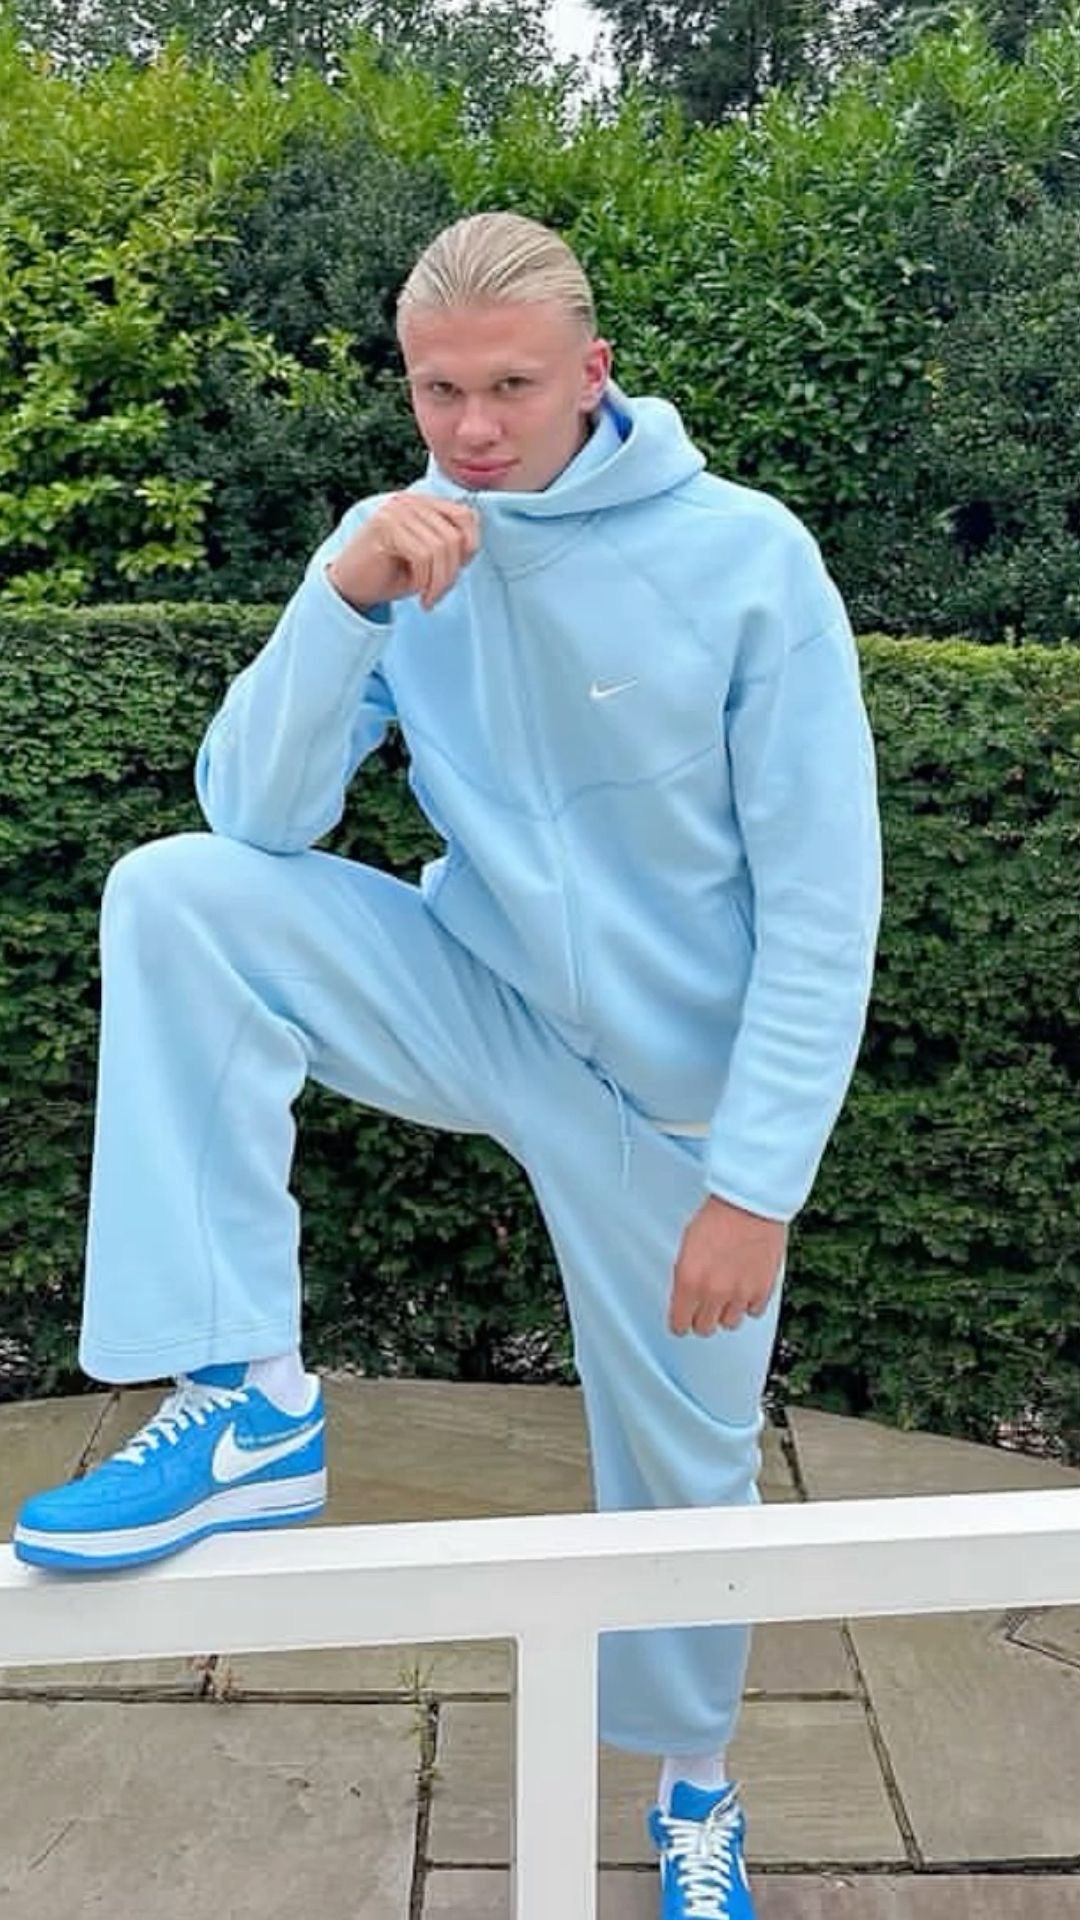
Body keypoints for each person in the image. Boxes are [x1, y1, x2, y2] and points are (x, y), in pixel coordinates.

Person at [12, 211, 883, 1919]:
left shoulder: (749, 559)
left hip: (680, 1112)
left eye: (510, 387)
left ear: (592, 375)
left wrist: (758, 1183)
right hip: (483, 1002)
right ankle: (249, 1396)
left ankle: (694, 1795)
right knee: (177, 895)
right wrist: (341, 601)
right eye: (437, 390)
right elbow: (256, 817)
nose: (472, 427)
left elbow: (824, 898)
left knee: (689, 1476)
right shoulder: (398, 543)